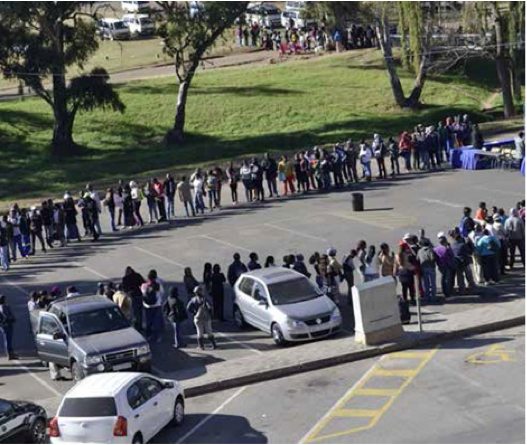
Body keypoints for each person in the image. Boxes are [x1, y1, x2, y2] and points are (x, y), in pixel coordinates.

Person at [187, 286, 216, 350]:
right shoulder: (205, 299)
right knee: (209, 331)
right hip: (206, 317)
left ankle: (201, 346)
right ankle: (214, 345)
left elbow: (188, 308)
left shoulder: (193, 300)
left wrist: (194, 312)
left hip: (198, 318)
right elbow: (210, 307)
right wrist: (210, 314)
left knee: (199, 332)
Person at [141, 270, 165, 342]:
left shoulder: (144, 286)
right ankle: (156, 337)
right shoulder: (158, 285)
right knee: (156, 322)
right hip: (156, 305)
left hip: (147, 306)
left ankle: (148, 335)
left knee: (148, 321)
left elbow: (143, 294)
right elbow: (162, 293)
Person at [122, 267, 145, 332]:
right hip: (138, 294)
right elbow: (143, 283)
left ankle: (137, 326)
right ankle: (139, 326)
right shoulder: (136, 275)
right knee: (139, 312)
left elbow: (124, 288)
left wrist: (128, 292)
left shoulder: (125, 278)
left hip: (133, 296)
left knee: (136, 312)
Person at [434, 233, 455, 298]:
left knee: (443, 279)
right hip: (447, 265)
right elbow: (452, 255)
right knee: (447, 279)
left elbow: (435, 258)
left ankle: (444, 291)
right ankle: (447, 293)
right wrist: (449, 247)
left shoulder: (435, 249)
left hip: (440, 266)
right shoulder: (446, 249)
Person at [0, 294, 17, 360]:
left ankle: (11, 353)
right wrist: (11, 319)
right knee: (8, 340)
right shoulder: (5, 307)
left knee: (7, 339)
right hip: (7, 325)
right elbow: (7, 316)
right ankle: (10, 354)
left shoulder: (4, 306)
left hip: (3, 325)